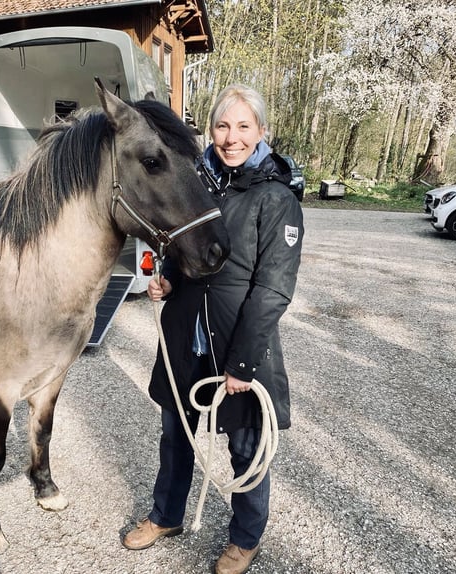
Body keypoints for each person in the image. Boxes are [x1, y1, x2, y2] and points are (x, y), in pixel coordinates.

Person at [122, 84, 304, 574]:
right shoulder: (196, 180)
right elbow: (182, 244)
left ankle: (246, 538)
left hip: (238, 345)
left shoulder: (276, 199)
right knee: (175, 432)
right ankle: (166, 516)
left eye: (244, 126)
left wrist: (242, 362)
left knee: (247, 448)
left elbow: (273, 290)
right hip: (186, 334)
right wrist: (166, 279)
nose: (231, 137)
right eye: (223, 126)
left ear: (261, 132)